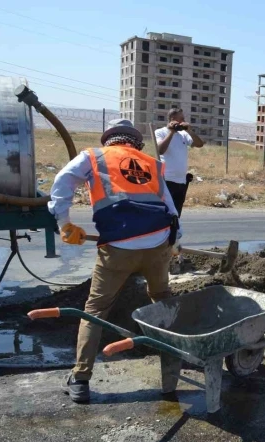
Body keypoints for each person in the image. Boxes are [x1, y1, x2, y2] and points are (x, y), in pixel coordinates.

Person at [48, 119, 182, 403]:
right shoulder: (150, 162)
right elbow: (169, 206)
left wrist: (64, 222)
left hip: (119, 247)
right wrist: (175, 242)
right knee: (162, 300)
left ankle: (81, 379)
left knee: (95, 310)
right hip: (159, 243)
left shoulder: (94, 156)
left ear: (109, 139)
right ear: (134, 141)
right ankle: (173, 367)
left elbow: (63, 181)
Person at [155, 108, 205, 217]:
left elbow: (199, 144)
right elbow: (160, 150)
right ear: (173, 119)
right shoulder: (160, 132)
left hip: (181, 181)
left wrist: (189, 130)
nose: (183, 121)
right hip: (167, 180)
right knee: (166, 214)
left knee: (176, 215)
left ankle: (174, 233)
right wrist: (171, 132)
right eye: (181, 119)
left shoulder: (183, 134)